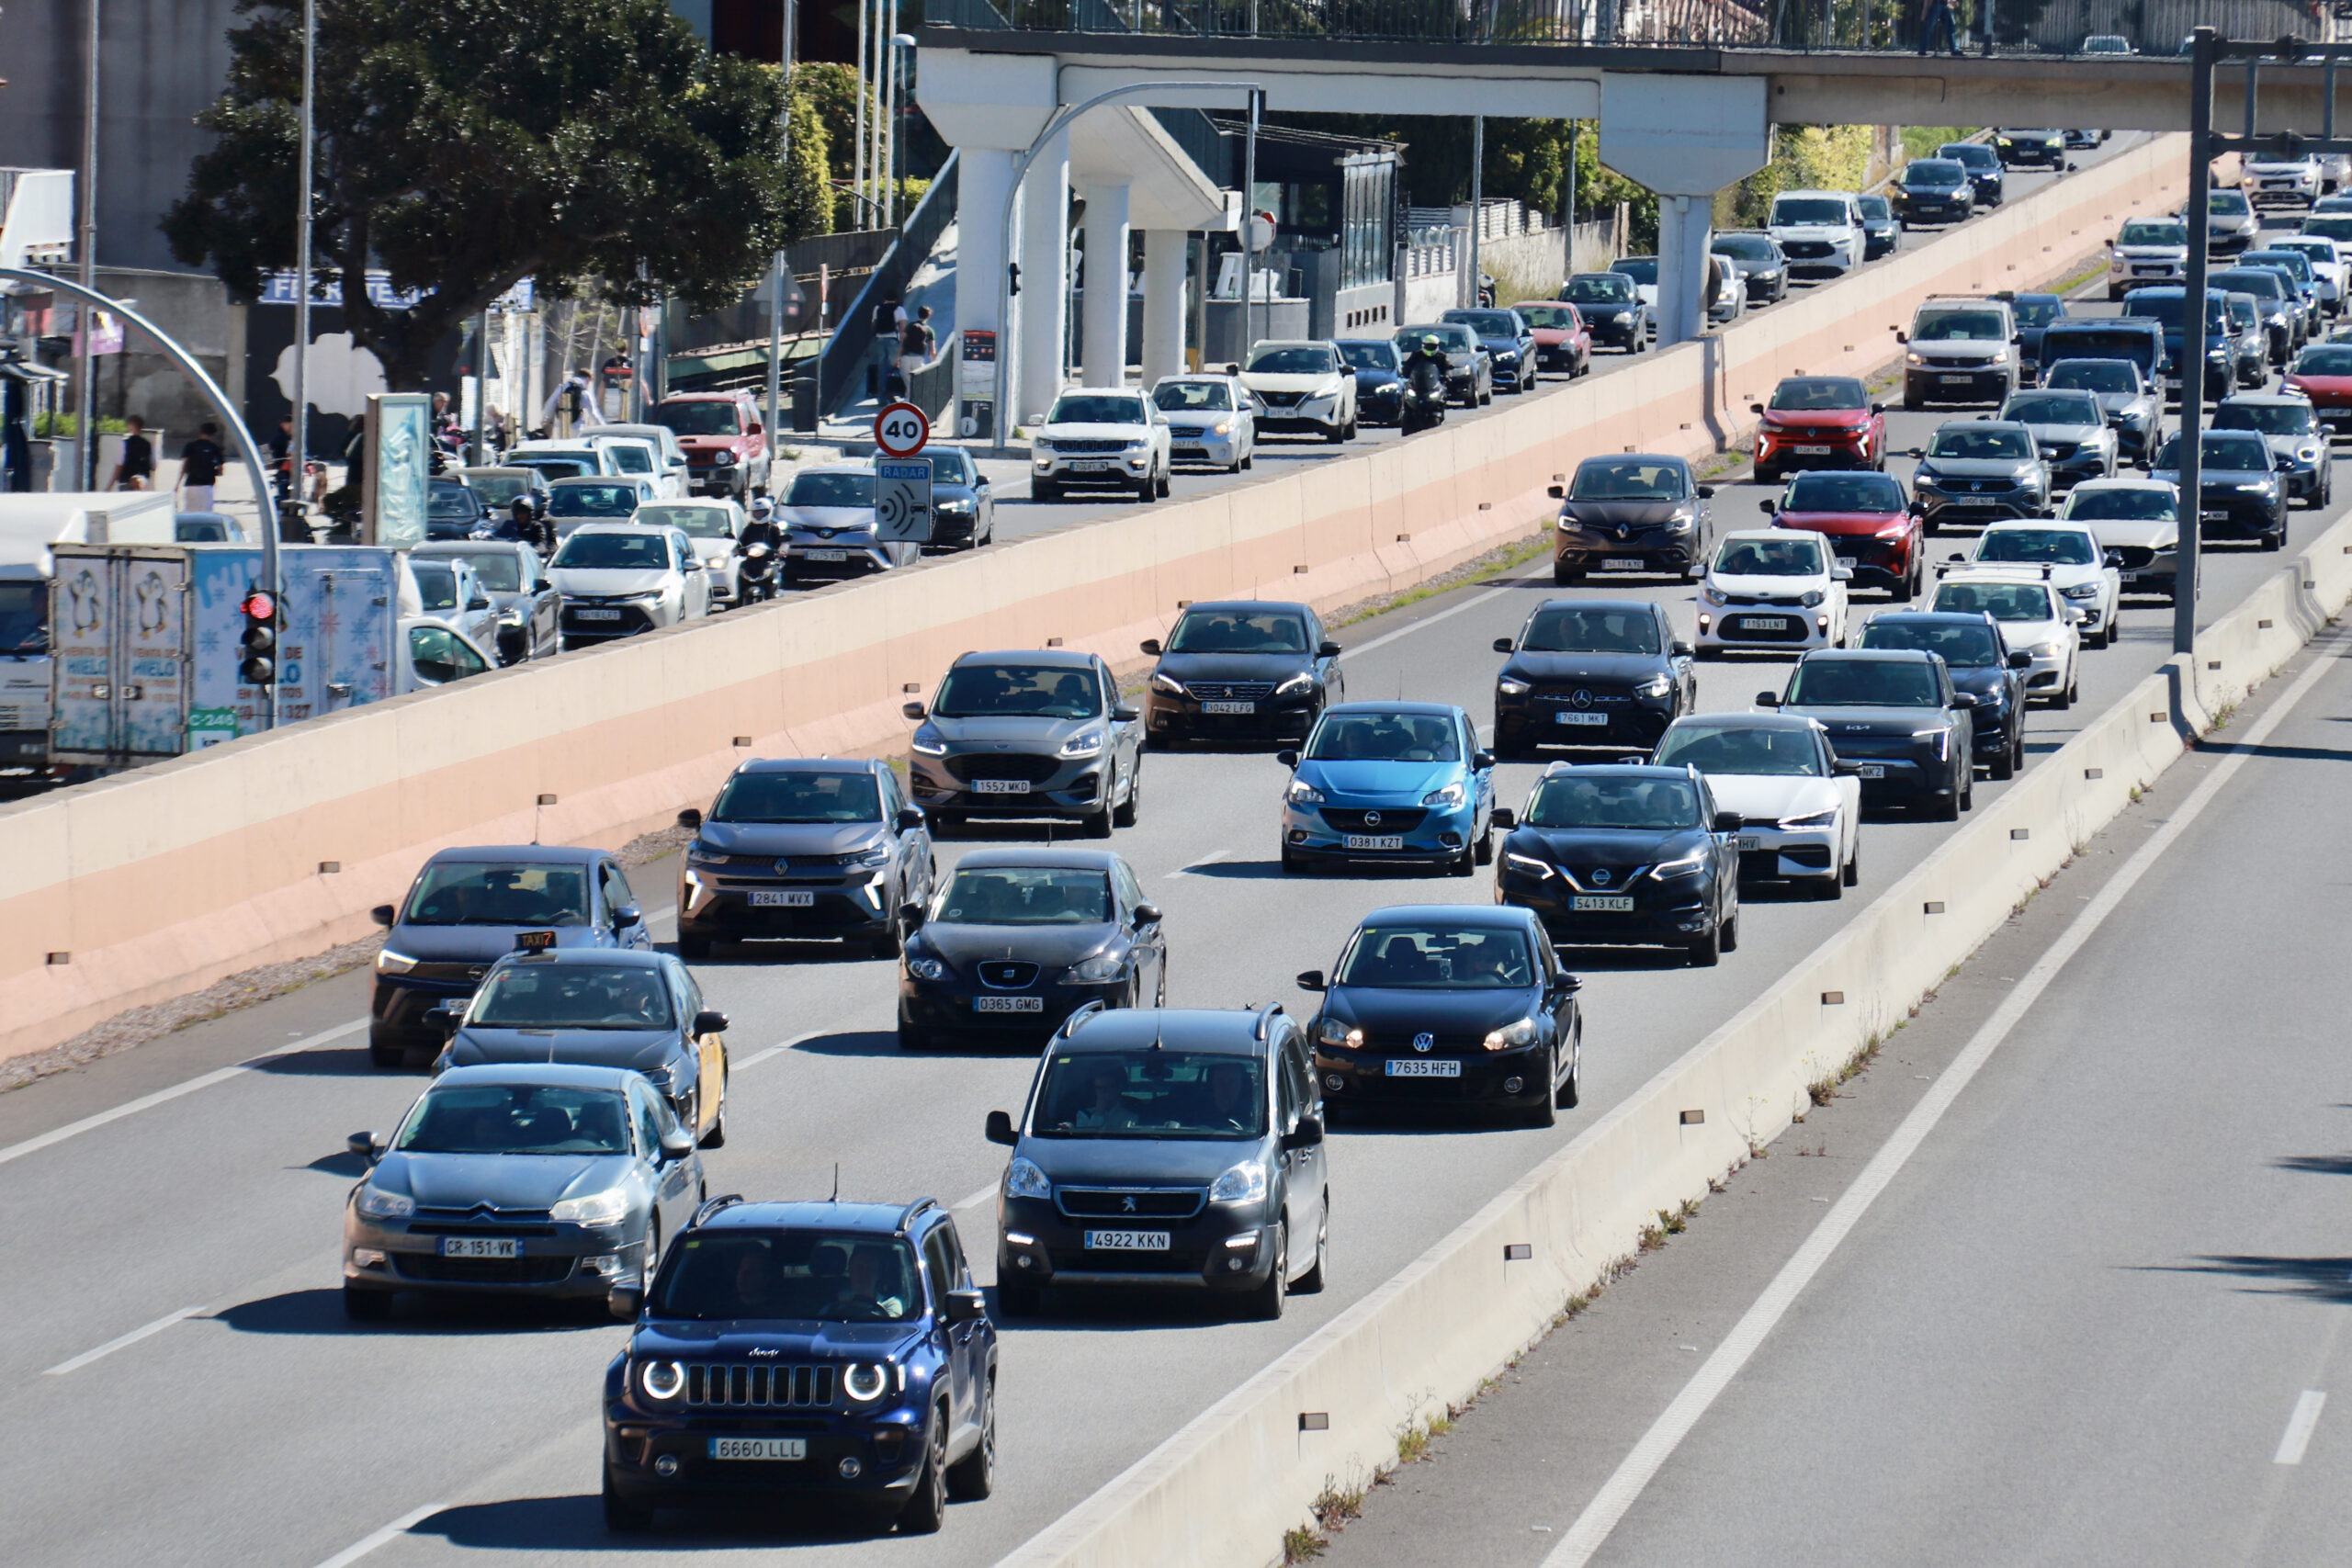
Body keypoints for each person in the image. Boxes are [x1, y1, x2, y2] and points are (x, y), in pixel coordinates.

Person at [178, 422, 225, 513]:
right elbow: (221, 471)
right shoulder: (215, 448)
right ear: (213, 434)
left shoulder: (190, 446)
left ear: (200, 432)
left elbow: (184, 467)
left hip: (191, 483)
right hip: (207, 486)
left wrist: (177, 484)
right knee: (206, 514)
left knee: (189, 513)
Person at [897, 306, 937, 391]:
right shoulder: (929, 330)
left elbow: (902, 343)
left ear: (918, 314)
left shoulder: (910, 326)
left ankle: (908, 397)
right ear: (928, 316)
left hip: (905, 358)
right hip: (918, 359)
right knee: (917, 386)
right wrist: (934, 364)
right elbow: (932, 351)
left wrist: (897, 359)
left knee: (908, 386)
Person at [111, 416, 154, 491]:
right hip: (142, 484)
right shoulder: (148, 445)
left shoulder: (124, 444)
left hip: (126, 482)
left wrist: (110, 485)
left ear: (130, 426)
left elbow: (119, 465)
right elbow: (154, 466)